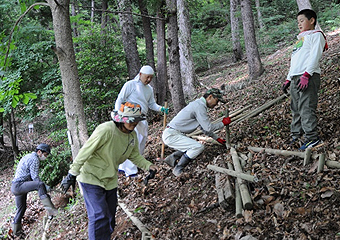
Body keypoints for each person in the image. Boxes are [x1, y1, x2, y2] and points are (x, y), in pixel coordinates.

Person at [60, 102, 158, 240]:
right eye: (131, 121)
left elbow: (134, 155)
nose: (134, 124)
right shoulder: (106, 130)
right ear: (122, 119)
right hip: (91, 177)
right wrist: (72, 174)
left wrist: (148, 166)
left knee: (110, 218)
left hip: (110, 180)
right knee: (99, 215)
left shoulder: (132, 136)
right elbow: (86, 151)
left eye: (136, 121)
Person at [281, 9, 328, 150]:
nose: (299, 24)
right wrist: (288, 79)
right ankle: (297, 135)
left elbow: (315, 56)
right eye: (298, 22)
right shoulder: (301, 39)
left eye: (302, 20)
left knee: (306, 107)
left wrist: (307, 75)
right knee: (295, 107)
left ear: (312, 20)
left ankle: (312, 138)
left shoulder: (316, 35)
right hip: (296, 77)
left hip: (309, 76)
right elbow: (295, 60)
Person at [162, 88, 231, 177]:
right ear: (210, 97)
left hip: (173, 133)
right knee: (198, 147)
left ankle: (172, 158)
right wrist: (223, 123)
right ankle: (178, 168)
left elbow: (203, 128)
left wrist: (216, 138)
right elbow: (208, 127)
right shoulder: (199, 106)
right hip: (171, 135)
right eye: (216, 101)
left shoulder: (198, 105)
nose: (216, 104)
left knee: (191, 145)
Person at [114, 65, 168, 177]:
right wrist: (119, 115)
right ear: (140, 75)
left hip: (142, 118)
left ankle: (128, 166)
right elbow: (120, 99)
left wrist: (160, 108)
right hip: (129, 118)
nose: (148, 80)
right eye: (146, 77)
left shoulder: (149, 89)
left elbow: (151, 104)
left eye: (151, 78)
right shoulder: (130, 85)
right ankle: (130, 171)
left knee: (141, 141)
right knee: (132, 142)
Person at [11, 143, 57, 236]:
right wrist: (44, 187)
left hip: (15, 187)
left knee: (21, 208)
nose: (46, 157)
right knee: (39, 185)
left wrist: (44, 187)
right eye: (45, 154)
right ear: (39, 152)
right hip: (20, 185)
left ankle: (17, 233)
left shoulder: (27, 156)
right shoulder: (35, 159)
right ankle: (51, 210)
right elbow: (35, 178)